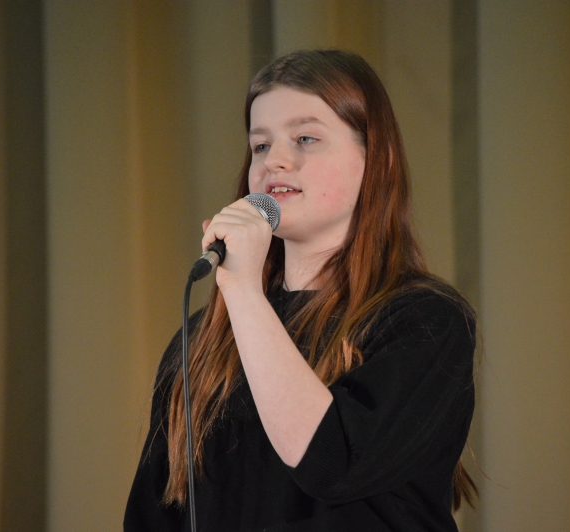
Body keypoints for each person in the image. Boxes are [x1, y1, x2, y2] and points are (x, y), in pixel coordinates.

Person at [124, 49, 477, 532]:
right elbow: (153, 516)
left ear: (377, 159)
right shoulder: (202, 340)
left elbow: (332, 463)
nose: (275, 161)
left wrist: (243, 290)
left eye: (305, 138)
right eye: (261, 145)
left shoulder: (425, 321)